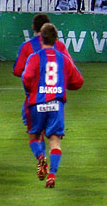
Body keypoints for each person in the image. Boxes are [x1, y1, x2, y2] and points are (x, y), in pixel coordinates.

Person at [22, 23, 84, 189]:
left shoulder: (34, 57)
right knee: (55, 141)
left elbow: (26, 78)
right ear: (56, 40)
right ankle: (52, 174)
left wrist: (33, 90)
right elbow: (78, 81)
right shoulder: (63, 59)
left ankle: (41, 158)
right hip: (56, 104)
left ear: (40, 39)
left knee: (34, 137)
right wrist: (62, 84)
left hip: (37, 104)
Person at [13, 13, 73, 180]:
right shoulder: (59, 47)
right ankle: (52, 172)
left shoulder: (27, 48)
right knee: (54, 137)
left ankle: (40, 157)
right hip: (55, 98)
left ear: (34, 28)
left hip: (34, 99)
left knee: (34, 133)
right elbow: (71, 70)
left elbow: (18, 71)